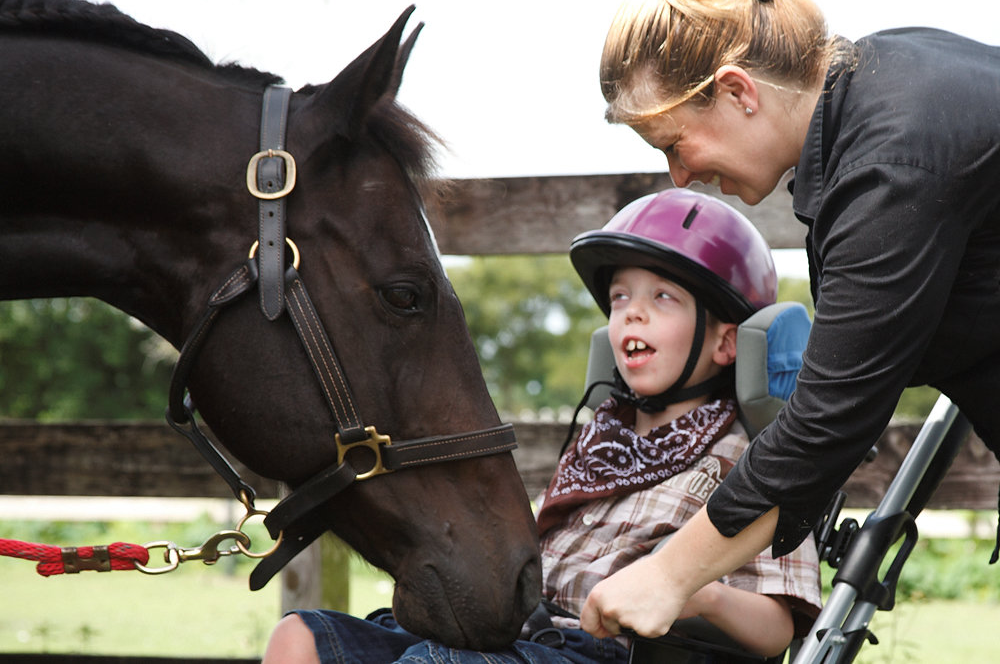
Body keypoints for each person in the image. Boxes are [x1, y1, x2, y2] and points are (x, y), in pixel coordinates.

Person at [581, 0, 1000, 643]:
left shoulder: (891, 160)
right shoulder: (882, 84)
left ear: (738, 91)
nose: (681, 175)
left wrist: (668, 574)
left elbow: (825, 423)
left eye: (674, 144)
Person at [260, 188, 822, 663]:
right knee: (302, 638)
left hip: (609, 651)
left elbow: (777, 628)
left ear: (728, 341)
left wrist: (694, 593)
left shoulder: (753, 463)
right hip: (526, 633)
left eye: (664, 298)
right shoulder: (600, 441)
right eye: (620, 296)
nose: (632, 312)